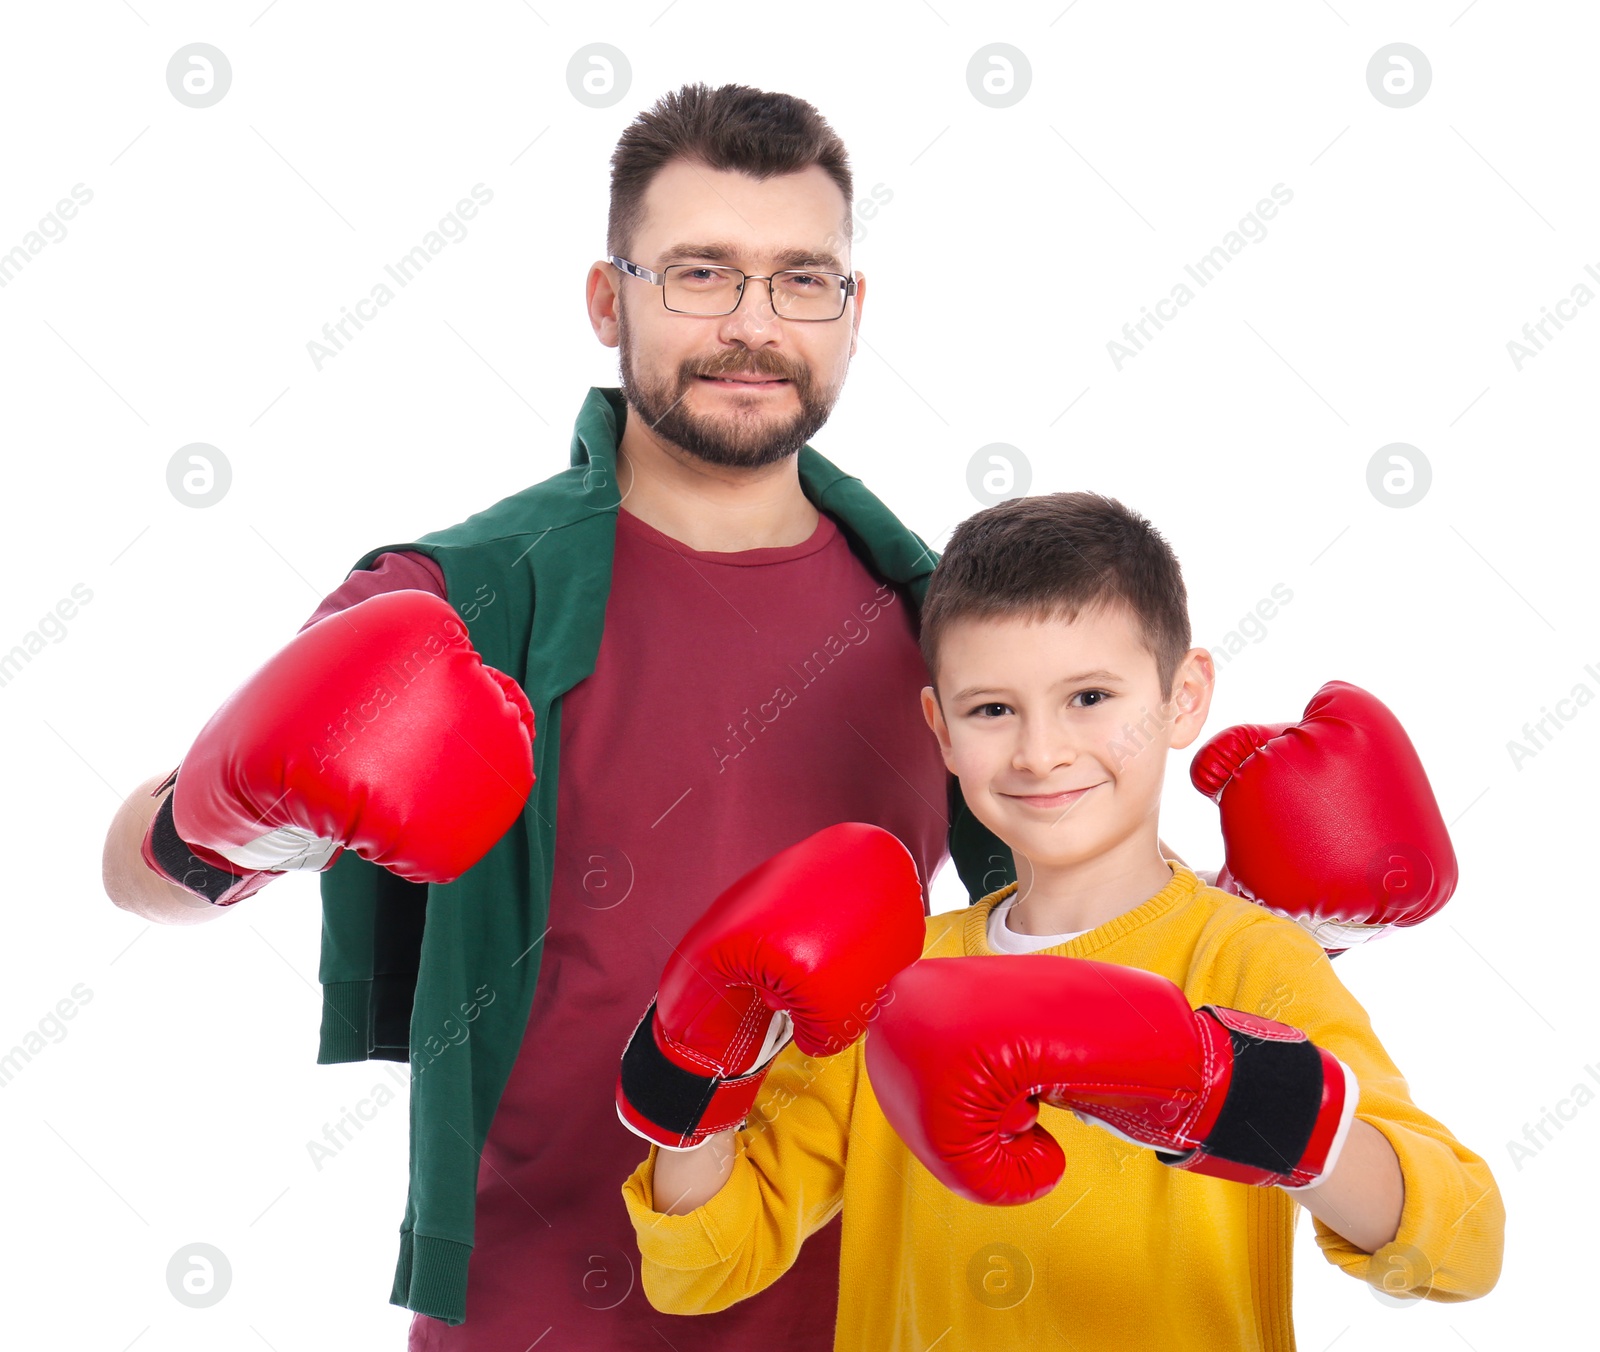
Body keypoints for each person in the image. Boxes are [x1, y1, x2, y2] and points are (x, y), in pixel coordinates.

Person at [97, 83, 1193, 1350]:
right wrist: (247, 823)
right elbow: (134, 871)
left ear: (851, 311)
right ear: (608, 300)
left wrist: (1292, 937)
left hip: (876, 1304)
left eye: (800, 279)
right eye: (699, 273)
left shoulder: (944, 616)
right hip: (539, 1306)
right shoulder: (462, 595)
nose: (751, 325)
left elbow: (1090, 949)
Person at [620, 491, 1505, 1350]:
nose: (1041, 753)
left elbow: (1464, 1246)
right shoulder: (893, 975)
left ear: (1183, 697)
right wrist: (698, 1059)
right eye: (993, 709)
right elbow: (699, 1268)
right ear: (940, 729)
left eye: (1089, 698)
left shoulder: (1246, 958)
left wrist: (1216, 1090)